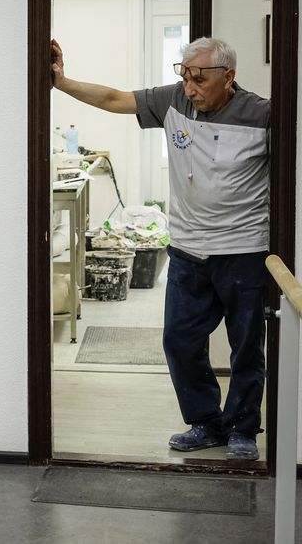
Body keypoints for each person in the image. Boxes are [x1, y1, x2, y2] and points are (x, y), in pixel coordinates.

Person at [51, 37, 269, 461]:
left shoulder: (262, 114)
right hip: (187, 250)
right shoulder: (175, 102)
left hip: (243, 250)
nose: (189, 87)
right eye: (183, 76)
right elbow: (114, 98)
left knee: (246, 345)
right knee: (179, 340)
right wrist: (60, 83)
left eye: (199, 78)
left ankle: (243, 428)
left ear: (229, 77)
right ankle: (205, 422)